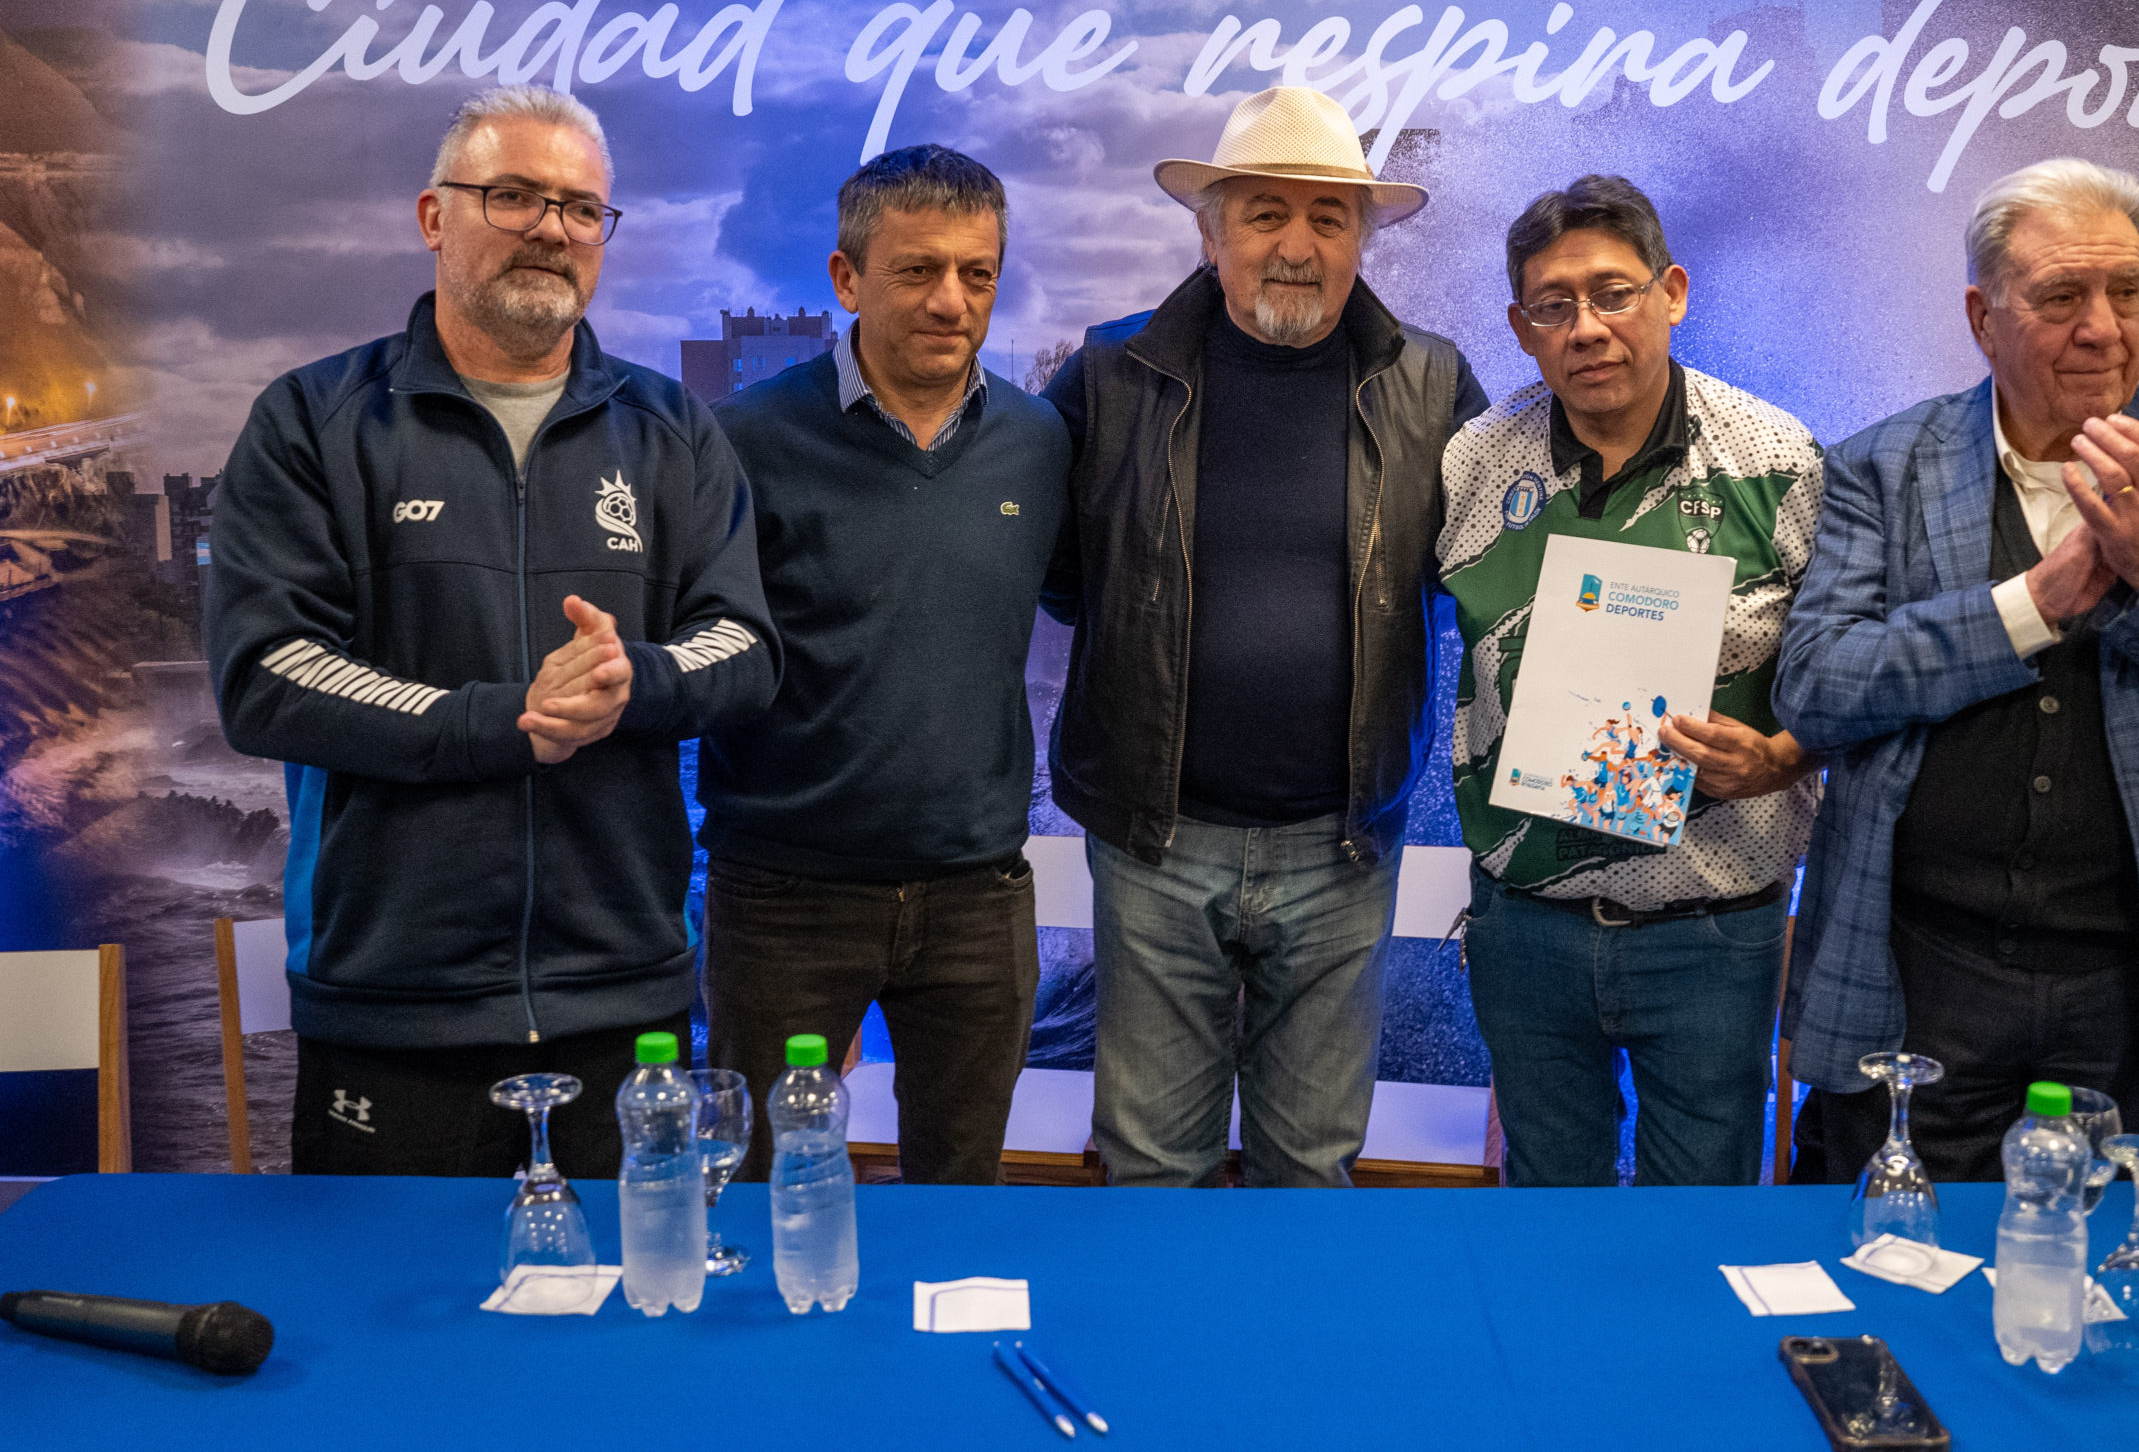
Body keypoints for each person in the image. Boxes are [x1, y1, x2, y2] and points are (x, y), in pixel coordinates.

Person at [206, 85, 776, 1177]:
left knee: (628, 1334)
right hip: (390, 1007)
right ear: (435, 215)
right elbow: (267, 675)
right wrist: (504, 719)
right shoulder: (314, 422)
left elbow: (745, 647)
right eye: (512, 196)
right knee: (379, 1338)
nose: (551, 229)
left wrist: (632, 682)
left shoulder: (671, 430)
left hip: (625, 1002)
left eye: (580, 209)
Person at [1774, 157, 2139, 1182]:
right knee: (1889, 1265)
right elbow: (1815, 686)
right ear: (1983, 317)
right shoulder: (1878, 467)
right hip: (1919, 975)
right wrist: (2033, 605)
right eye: (2062, 296)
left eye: (2125, 291)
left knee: (2133, 1292)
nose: (2103, 327)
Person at [1040, 86, 1488, 1187]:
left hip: (1341, 850)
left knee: (1313, 1168)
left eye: (1328, 218)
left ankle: (1293, 1364)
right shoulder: (1108, 377)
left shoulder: (1432, 385)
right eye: (1264, 214)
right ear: (1210, 230)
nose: (1296, 245)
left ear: (1363, 240)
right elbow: (1055, 582)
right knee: (1151, 1167)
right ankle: (1160, 1362)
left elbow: (1493, 582)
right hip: (1155, 846)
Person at [1439, 175, 1823, 1186]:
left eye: (1613, 292)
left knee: (1694, 1231)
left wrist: (1787, 754)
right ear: (1522, 329)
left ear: (1672, 293)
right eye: (1553, 305)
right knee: (1546, 1224)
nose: (1587, 327)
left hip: (1711, 930)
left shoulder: (1779, 461)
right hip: (1526, 928)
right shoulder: (1473, 466)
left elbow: (1845, 671)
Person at [695, 145, 1069, 1183]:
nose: (952, 300)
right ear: (847, 278)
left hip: (977, 896)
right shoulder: (743, 440)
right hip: (783, 899)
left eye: (978, 273)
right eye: (918, 270)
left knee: (961, 1199)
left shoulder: (1039, 443)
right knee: (762, 1193)